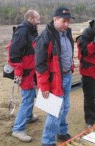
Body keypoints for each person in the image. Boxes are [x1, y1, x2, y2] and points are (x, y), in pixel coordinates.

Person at [35, 6, 74, 146]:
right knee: (54, 110)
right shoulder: (45, 37)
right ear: (55, 19)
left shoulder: (67, 33)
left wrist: (71, 67)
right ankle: (47, 141)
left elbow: (67, 53)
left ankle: (61, 131)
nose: (66, 24)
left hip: (67, 76)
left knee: (66, 106)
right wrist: (43, 86)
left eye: (68, 21)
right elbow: (40, 64)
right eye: (64, 21)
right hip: (54, 80)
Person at [9, 10, 40, 142]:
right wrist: (19, 73)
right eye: (38, 19)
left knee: (31, 95)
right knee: (27, 99)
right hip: (25, 73)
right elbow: (14, 54)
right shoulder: (22, 32)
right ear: (31, 18)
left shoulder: (31, 30)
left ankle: (28, 117)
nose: (39, 21)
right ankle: (18, 129)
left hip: (31, 70)